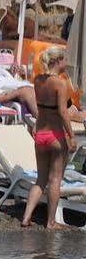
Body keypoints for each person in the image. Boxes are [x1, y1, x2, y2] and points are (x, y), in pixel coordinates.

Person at [26, 47, 82, 229]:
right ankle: (51, 222)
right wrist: (72, 136)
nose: (67, 63)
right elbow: (63, 112)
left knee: (40, 179)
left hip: (40, 134)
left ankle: (26, 218)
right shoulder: (60, 83)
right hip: (56, 136)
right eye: (64, 59)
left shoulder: (38, 80)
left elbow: (41, 109)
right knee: (55, 179)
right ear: (57, 61)